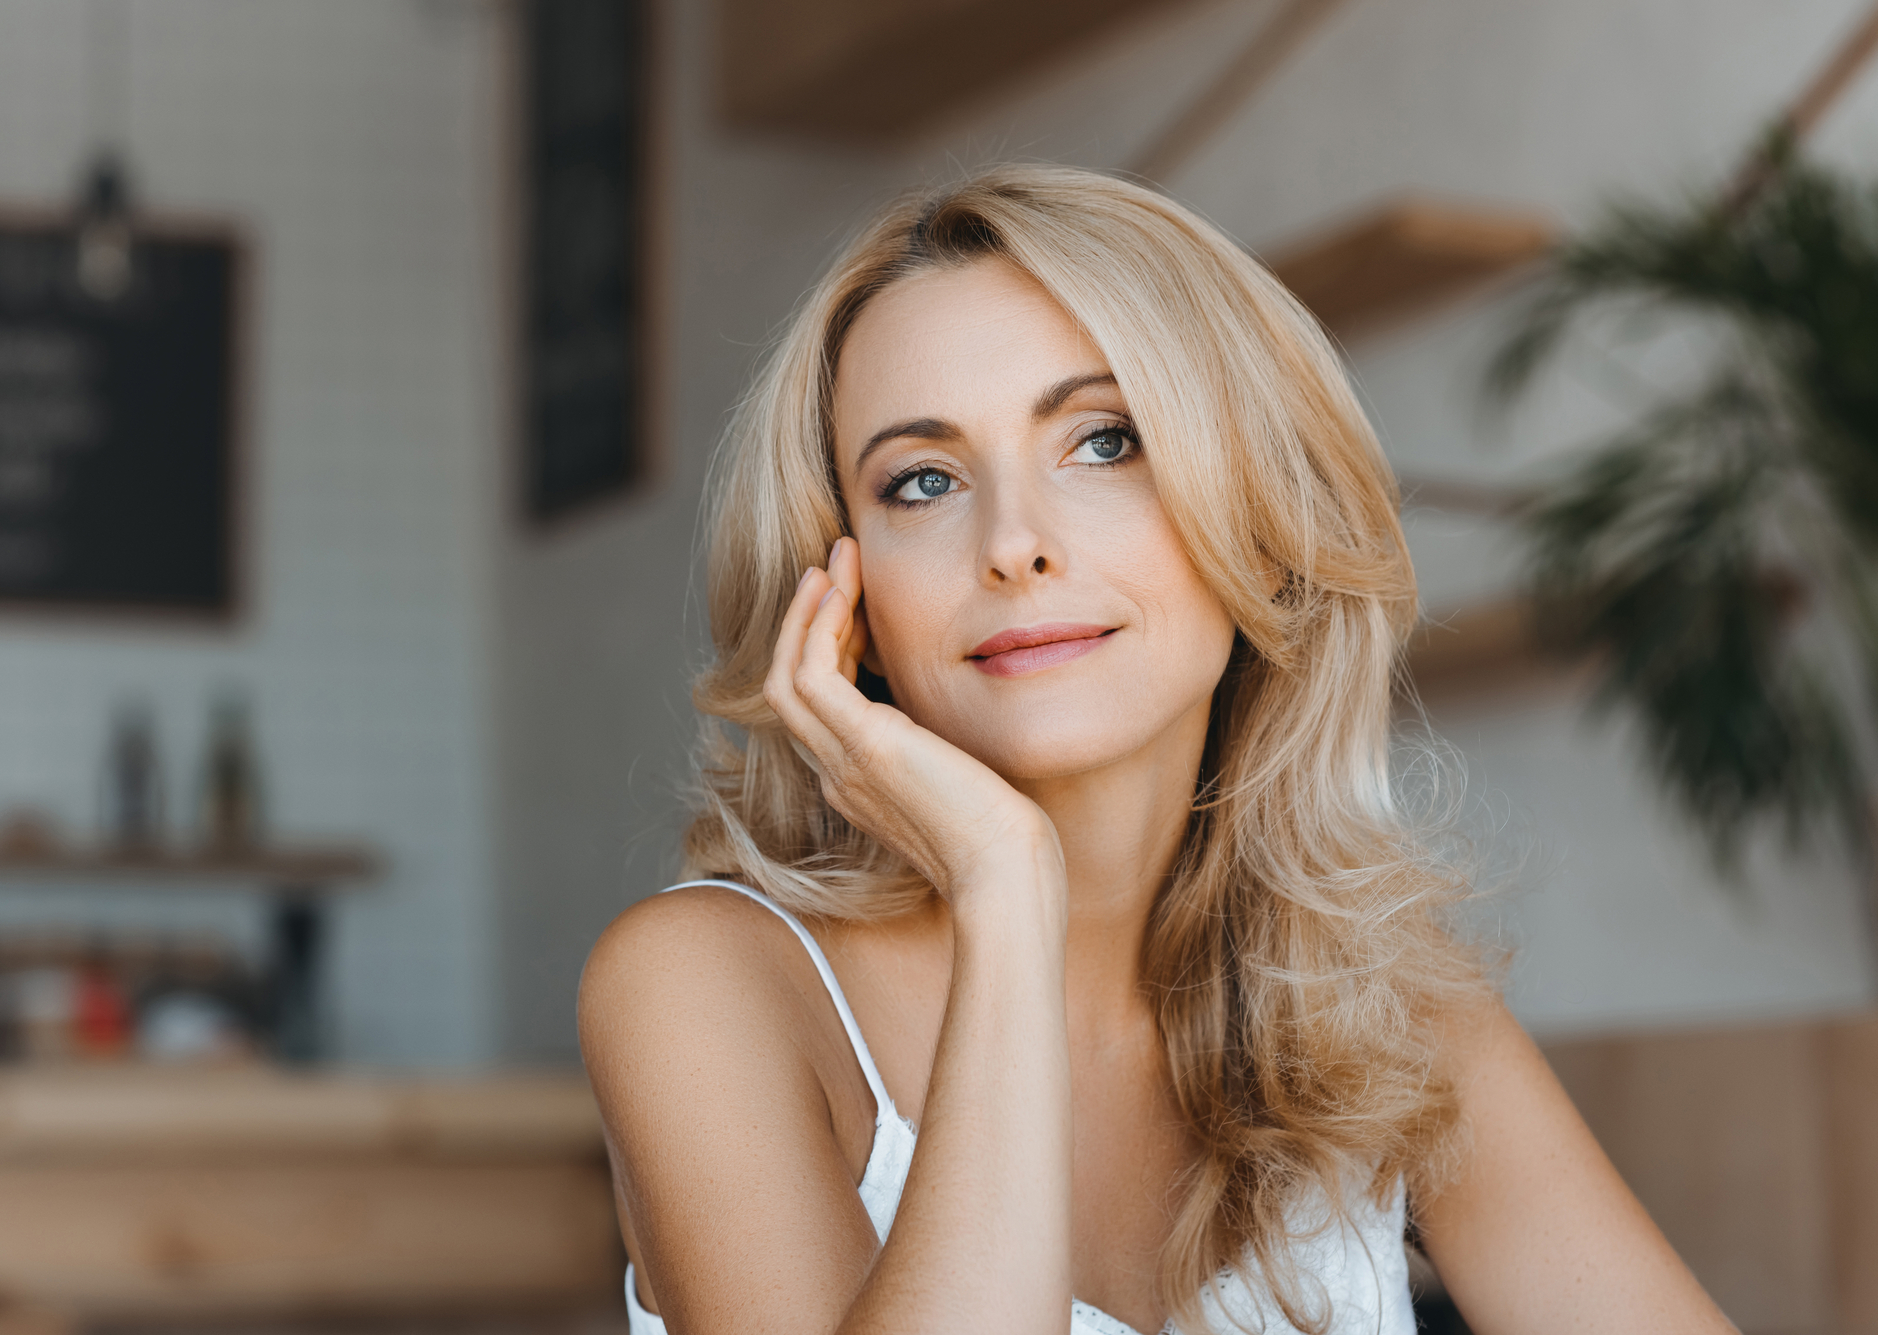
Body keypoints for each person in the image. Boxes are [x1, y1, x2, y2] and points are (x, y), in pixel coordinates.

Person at [579, 165, 1731, 1335]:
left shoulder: (1384, 1000)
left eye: (1104, 441)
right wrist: (1002, 883)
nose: (1014, 544)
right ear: (845, 594)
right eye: (921, 481)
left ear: (1258, 507)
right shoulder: (707, 985)